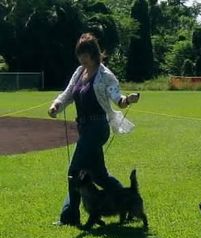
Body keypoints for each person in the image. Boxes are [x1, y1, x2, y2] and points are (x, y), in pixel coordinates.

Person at [48, 33, 140, 226]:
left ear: (94, 53)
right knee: (99, 175)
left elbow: (118, 99)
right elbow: (68, 93)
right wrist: (56, 105)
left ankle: (70, 216)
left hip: (98, 128)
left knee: (74, 170)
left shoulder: (105, 75)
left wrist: (128, 100)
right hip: (84, 126)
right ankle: (127, 202)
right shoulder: (79, 72)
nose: (82, 58)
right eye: (79, 54)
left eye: (85, 54)